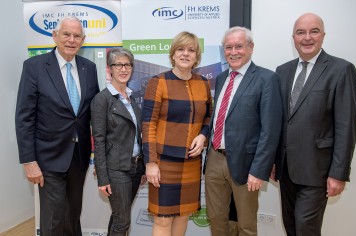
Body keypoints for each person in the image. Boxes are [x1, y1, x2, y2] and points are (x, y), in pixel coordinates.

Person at [272, 13, 356, 236]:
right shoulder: (282, 71)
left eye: (314, 31)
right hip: (286, 169)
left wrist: (339, 173)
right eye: (301, 32)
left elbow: (346, 126)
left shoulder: (341, 70)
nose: (307, 37)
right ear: (293, 37)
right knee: (291, 226)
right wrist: (273, 162)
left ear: (323, 35)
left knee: (305, 229)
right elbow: (278, 122)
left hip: (318, 170)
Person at [15, 16, 99, 235]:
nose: (71, 40)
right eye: (66, 34)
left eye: (77, 35)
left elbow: (94, 112)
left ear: (83, 39)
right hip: (47, 157)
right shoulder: (34, 66)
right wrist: (28, 160)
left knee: (72, 216)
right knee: (53, 219)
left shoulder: (88, 68)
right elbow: (24, 116)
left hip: (79, 157)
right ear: (55, 36)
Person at [204, 26, 282, 236]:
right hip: (214, 159)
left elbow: (270, 129)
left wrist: (259, 170)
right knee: (216, 219)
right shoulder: (221, 79)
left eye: (239, 46)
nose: (233, 52)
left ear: (251, 48)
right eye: (228, 47)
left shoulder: (267, 79)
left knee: (246, 225)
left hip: (247, 164)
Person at [142, 31, 212, 236]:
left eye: (191, 50)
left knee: (183, 216)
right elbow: (148, 125)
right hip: (163, 163)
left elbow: (209, 117)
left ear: (196, 57)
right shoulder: (158, 82)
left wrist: (203, 135)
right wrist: (151, 162)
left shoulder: (203, 84)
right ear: (173, 54)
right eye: (180, 49)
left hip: (191, 162)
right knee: (163, 221)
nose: (185, 54)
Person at [91, 47, 146, 236]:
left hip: (135, 168)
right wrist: (103, 178)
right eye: (118, 65)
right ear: (110, 69)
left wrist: (144, 167)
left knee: (118, 218)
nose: (123, 69)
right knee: (122, 221)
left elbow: (138, 135)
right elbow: (98, 140)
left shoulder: (131, 98)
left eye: (128, 65)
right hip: (116, 169)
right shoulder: (102, 100)